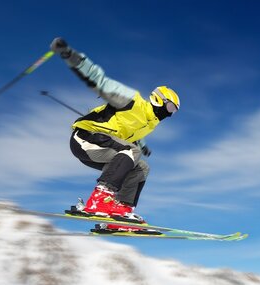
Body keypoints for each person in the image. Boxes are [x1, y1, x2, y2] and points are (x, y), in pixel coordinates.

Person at [50, 37, 180, 224]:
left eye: (174, 112)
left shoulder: (149, 123)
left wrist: (143, 146)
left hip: (103, 150)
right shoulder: (131, 101)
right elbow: (98, 80)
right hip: (85, 138)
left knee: (142, 167)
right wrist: (70, 55)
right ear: (158, 100)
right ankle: (99, 199)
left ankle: (121, 209)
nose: (170, 114)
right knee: (130, 151)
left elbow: (131, 133)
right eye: (170, 108)